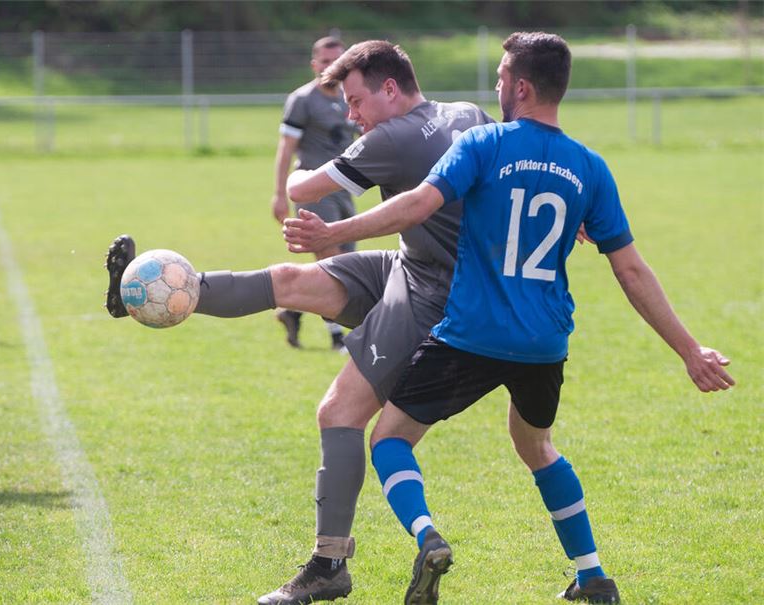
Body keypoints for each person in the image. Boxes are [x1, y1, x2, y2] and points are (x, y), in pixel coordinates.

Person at [284, 31, 735, 604]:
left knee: (389, 438)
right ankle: (592, 575)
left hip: (472, 332)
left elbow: (418, 204)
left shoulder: (485, 143)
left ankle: (427, 537)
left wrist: (335, 230)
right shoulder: (590, 167)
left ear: (520, 87)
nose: (496, 87)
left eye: (500, 77)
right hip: (545, 341)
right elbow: (632, 270)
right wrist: (690, 351)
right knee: (537, 446)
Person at [104, 40, 494, 604]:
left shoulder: (392, 137)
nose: (351, 115)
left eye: (356, 101)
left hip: (433, 295)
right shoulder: (467, 113)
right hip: (416, 264)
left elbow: (300, 189)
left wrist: (316, 164)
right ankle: (152, 293)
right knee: (290, 281)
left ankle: (329, 565)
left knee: (339, 412)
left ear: (390, 88)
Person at [271, 36, 358, 351]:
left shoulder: (350, 99)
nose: (331, 67)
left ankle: (293, 311)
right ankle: (338, 337)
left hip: (345, 190)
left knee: (346, 265)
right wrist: (279, 194)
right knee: (332, 262)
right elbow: (286, 149)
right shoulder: (303, 100)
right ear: (314, 65)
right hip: (313, 192)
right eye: (325, 62)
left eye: (338, 61)